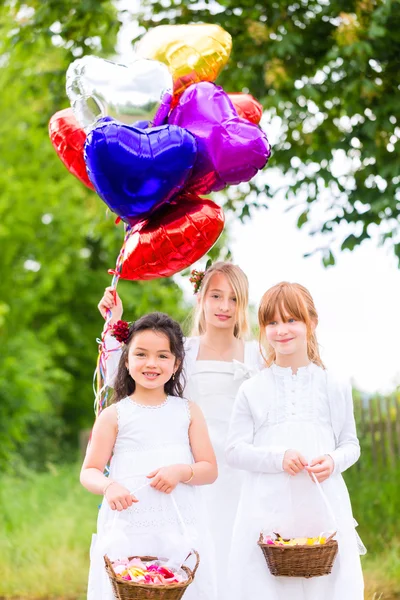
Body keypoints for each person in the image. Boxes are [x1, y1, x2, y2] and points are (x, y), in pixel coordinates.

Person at [98, 262, 263, 598]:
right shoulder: (181, 350)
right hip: (189, 472)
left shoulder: (257, 355)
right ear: (200, 297)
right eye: (216, 295)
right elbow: (131, 370)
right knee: (196, 554)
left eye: (234, 299)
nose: (224, 306)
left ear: (243, 305)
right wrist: (114, 321)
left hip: (239, 472)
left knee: (238, 552)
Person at [225, 282, 364, 600]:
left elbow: (350, 444)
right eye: (272, 322)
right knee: (266, 583)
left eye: (291, 320)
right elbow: (234, 450)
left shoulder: (333, 385)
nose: (281, 330)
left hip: (321, 503)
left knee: (324, 582)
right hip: (268, 506)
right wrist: (278, 457)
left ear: (311, 323)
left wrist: (332, 461)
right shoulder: (253, 388)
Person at [81, 312, 218, 600]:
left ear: (176, 363)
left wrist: (181, 471)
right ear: (126, 360)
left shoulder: (188, 411)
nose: (151, 364)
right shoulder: (114, 415)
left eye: (162, 356)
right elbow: (89, 470)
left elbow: (209, 469)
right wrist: (109, 486)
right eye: (141, 354)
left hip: (178, 521)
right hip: (129, 524)